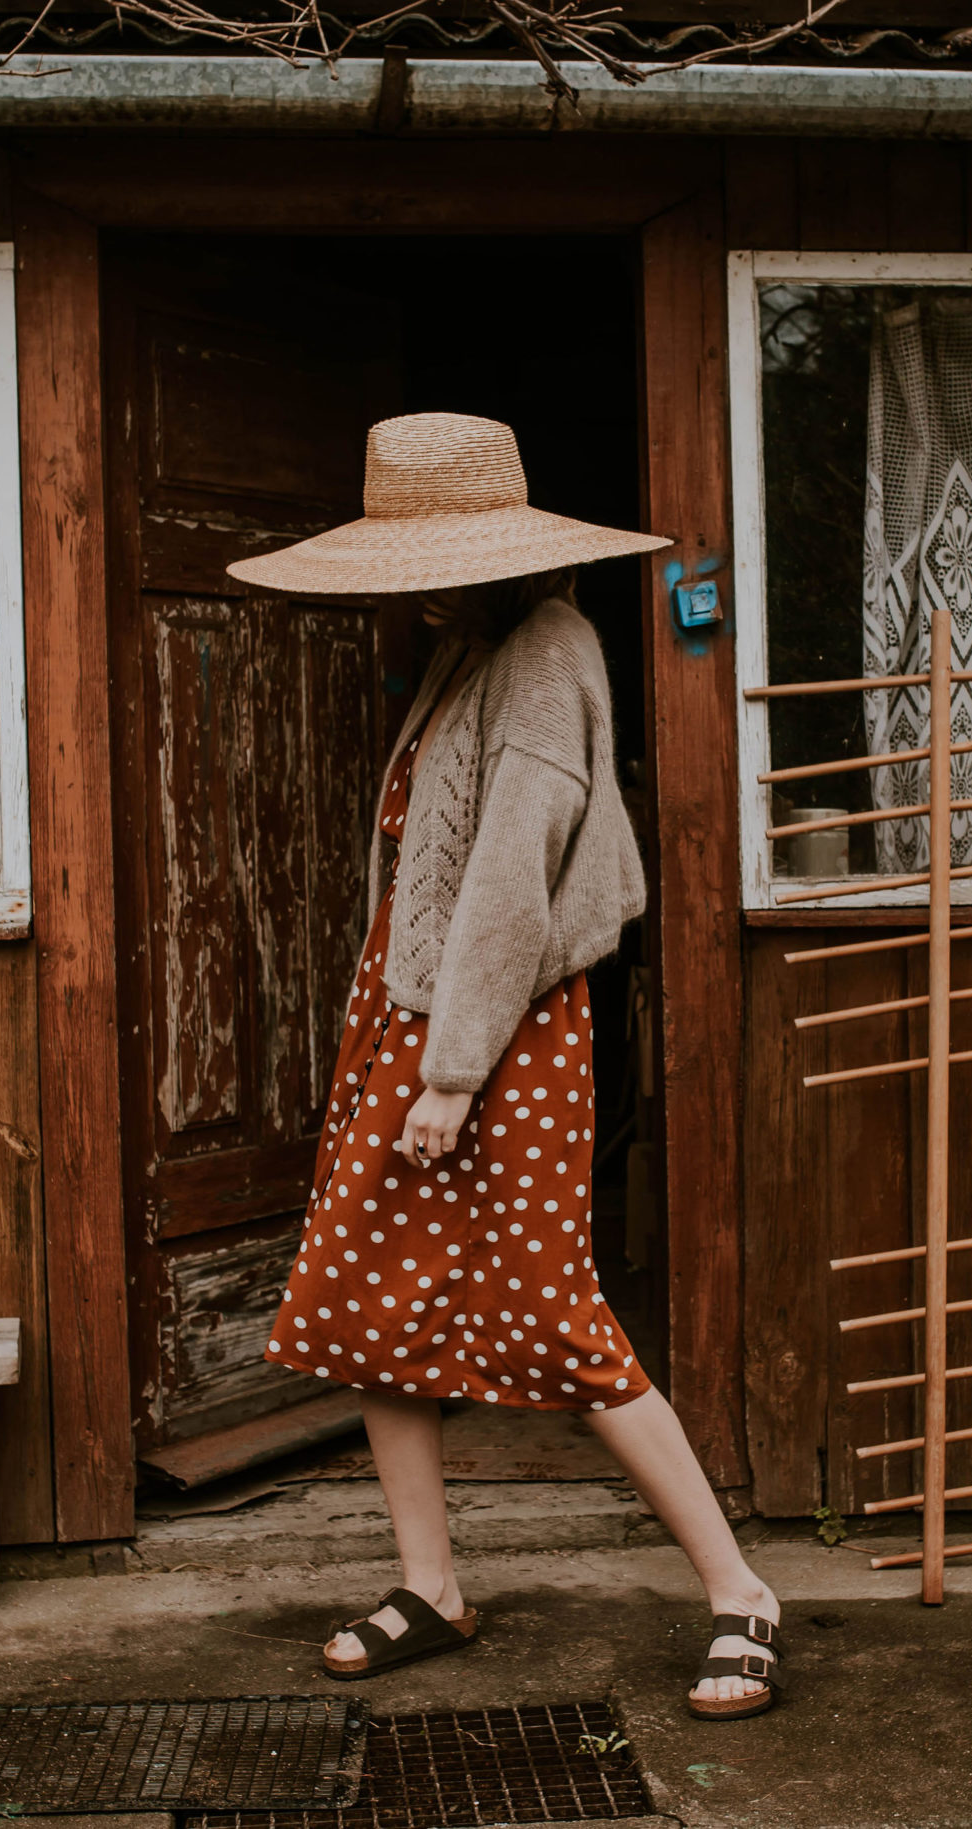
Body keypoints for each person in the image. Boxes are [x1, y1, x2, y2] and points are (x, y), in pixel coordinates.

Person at [226, 411, 781, 1722]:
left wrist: (453, 1068)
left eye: (435, 566)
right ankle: (432, 1585)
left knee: (555, 1313)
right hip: (418, 1028)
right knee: (371, 1300)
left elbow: (511, 884)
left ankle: (742, 1589)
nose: (416, 592)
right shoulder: (468, 651)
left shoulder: (546, 652)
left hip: (495, 1037)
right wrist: (407, 1042)